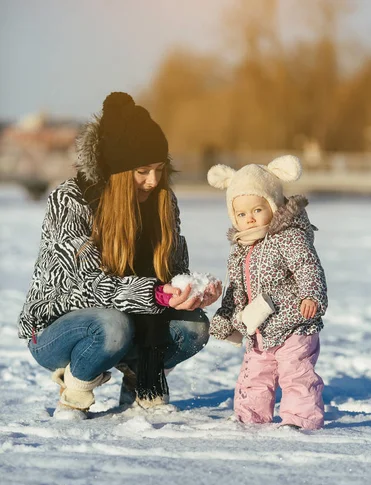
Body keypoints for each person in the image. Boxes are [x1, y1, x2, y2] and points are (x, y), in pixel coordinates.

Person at [18, 91, 221, 419]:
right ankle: (74, 392)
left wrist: (190, 291)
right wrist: (156, 294)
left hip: (132, 321)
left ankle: (141, 381)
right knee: (113, 324)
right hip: (59, 328)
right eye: (142, 171)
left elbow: (172, 270)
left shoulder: (162, 202)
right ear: (118, 170)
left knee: (194, 327)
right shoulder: (72, 200)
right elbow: (85, 287)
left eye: (159, 169)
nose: (153, 181)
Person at [207, 155, 328, 430]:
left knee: (296, 373)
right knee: (255, 376)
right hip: (259, 327)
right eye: (241, 214)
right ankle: (250, 418)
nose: (249, 218)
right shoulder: (240, 247)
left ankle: (301, 420)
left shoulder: (288, 236)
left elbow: (308, 266)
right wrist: (226, 317)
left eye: (257, 210)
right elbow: (236, 290)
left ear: (272, 205)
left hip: (295, 322)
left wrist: (312, 296)